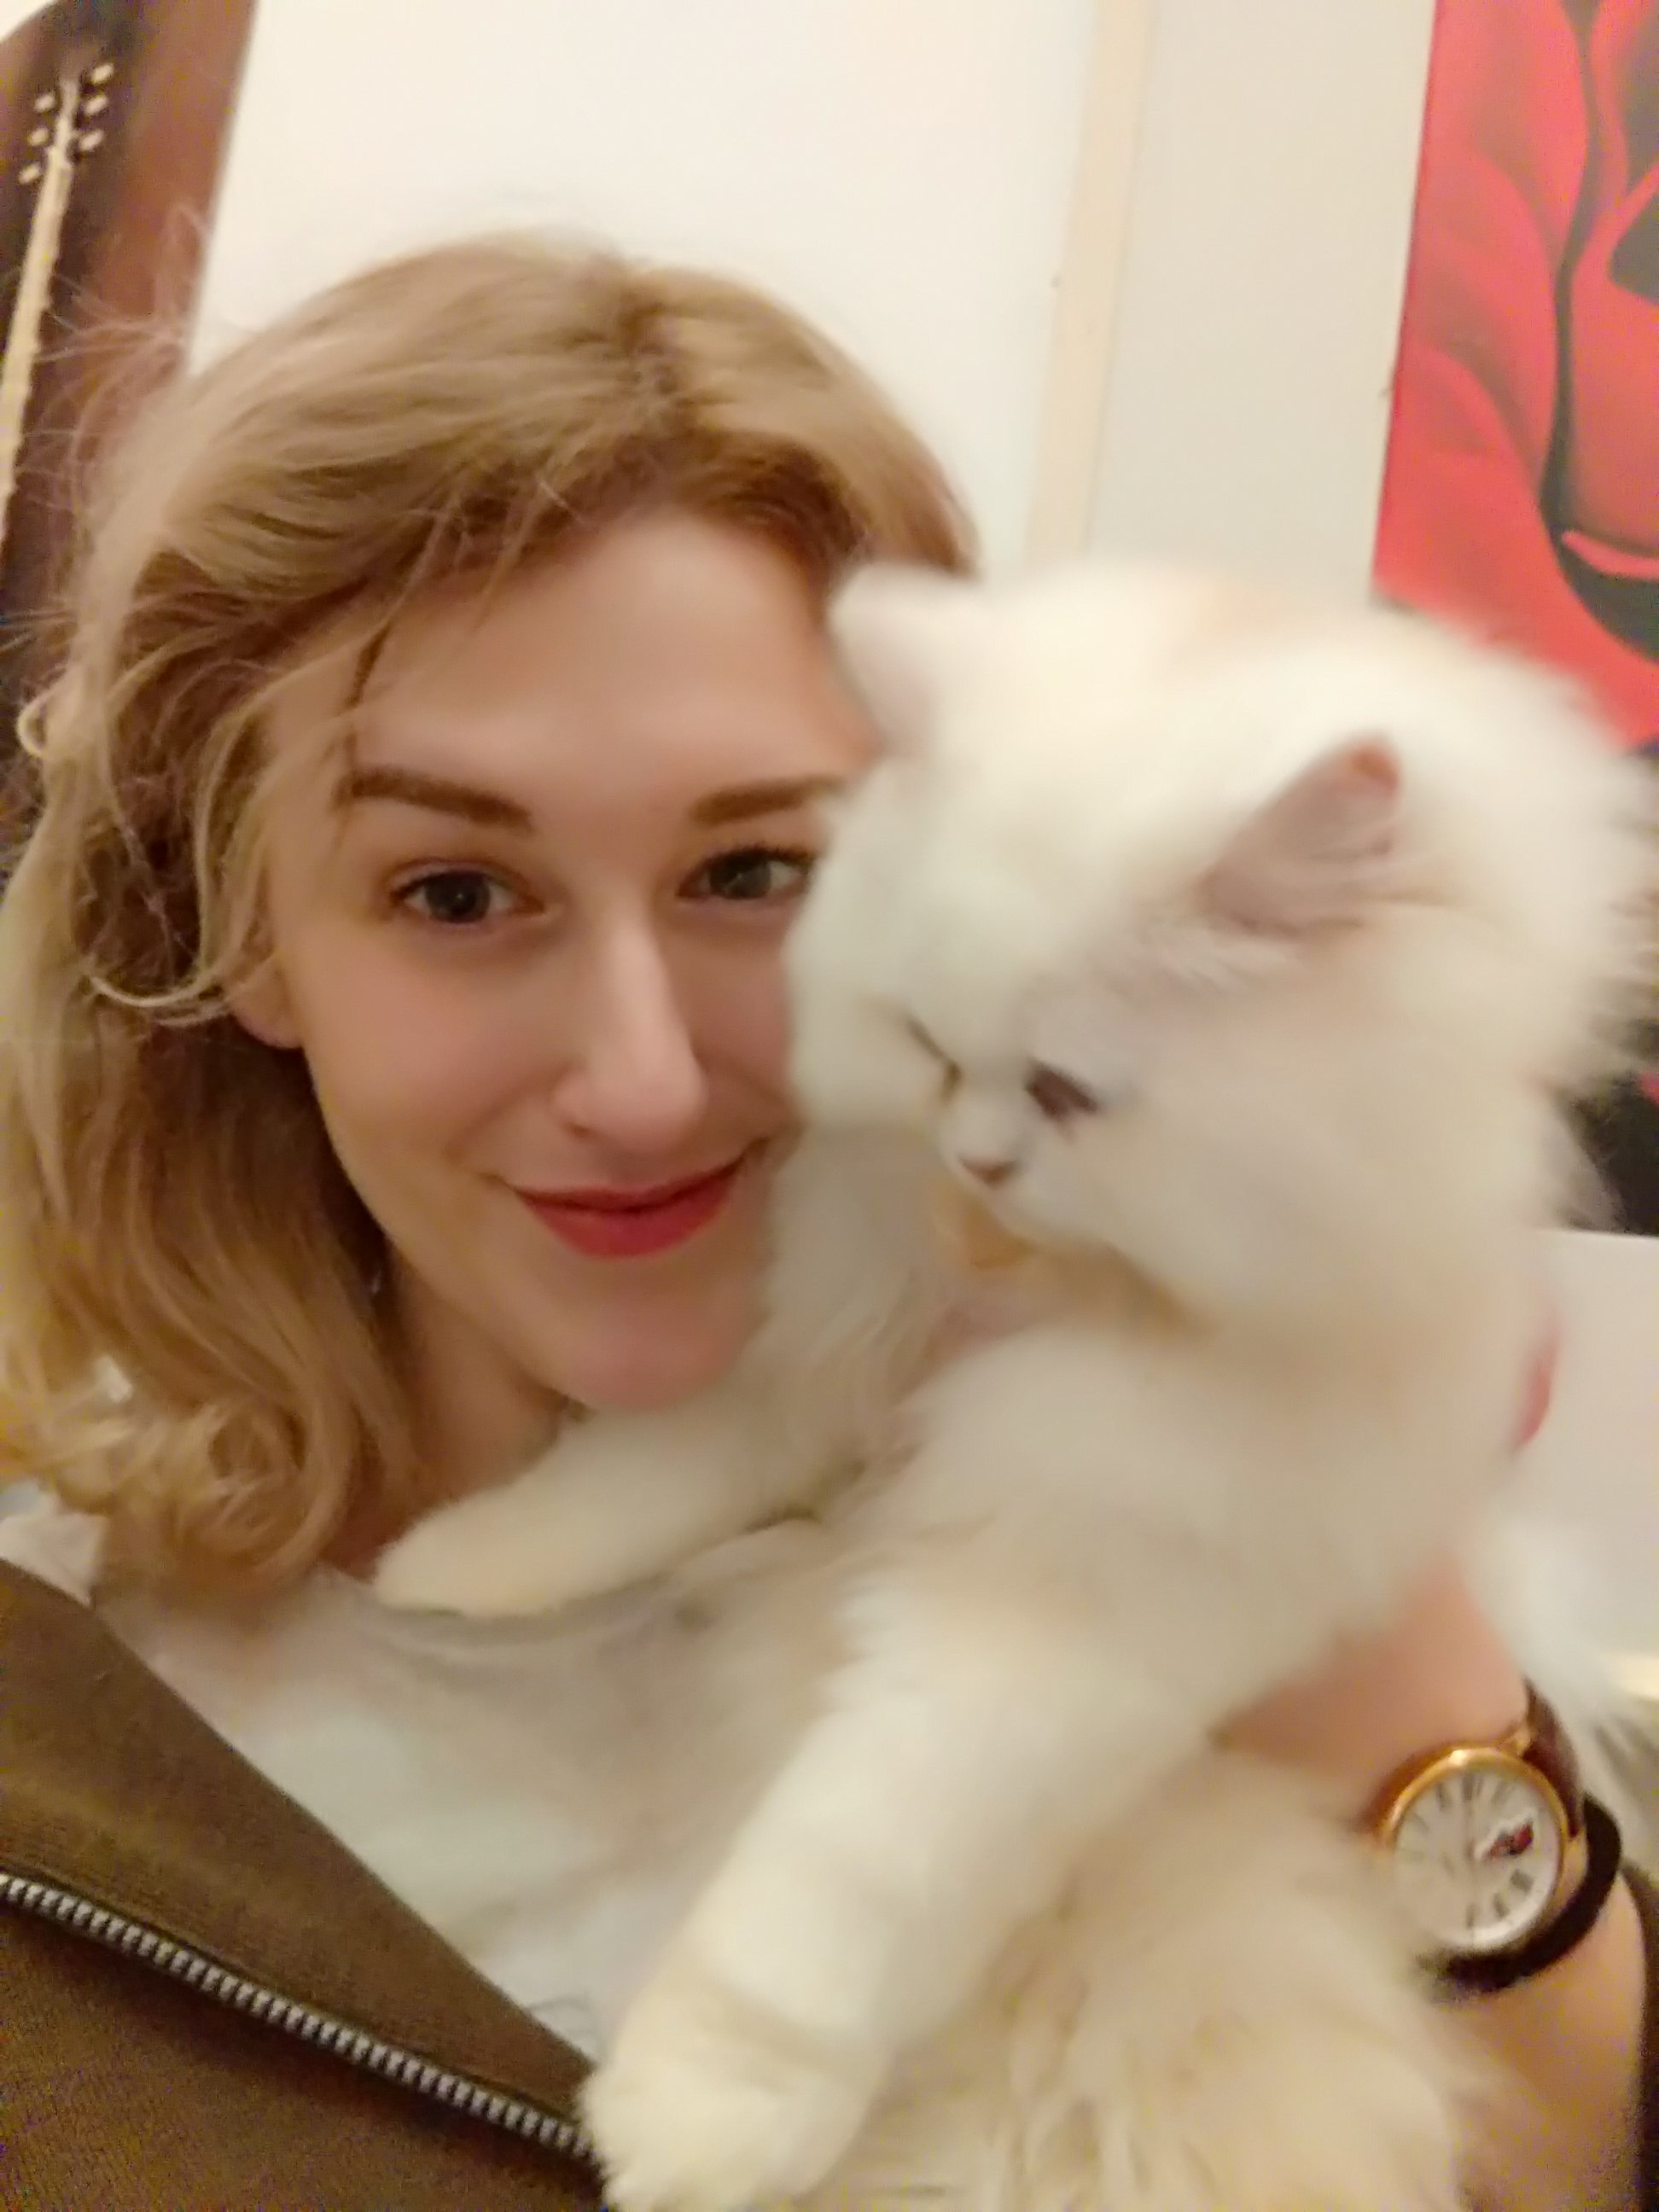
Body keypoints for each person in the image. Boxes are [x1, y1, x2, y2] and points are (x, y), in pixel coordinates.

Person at [0, 235, 1649, 2212]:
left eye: (755, 872)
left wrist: (1394, 1678)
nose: (641, 1081)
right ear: (244, 931)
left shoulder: (1268, 1553)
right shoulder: (59, 1698)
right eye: (456, 893)